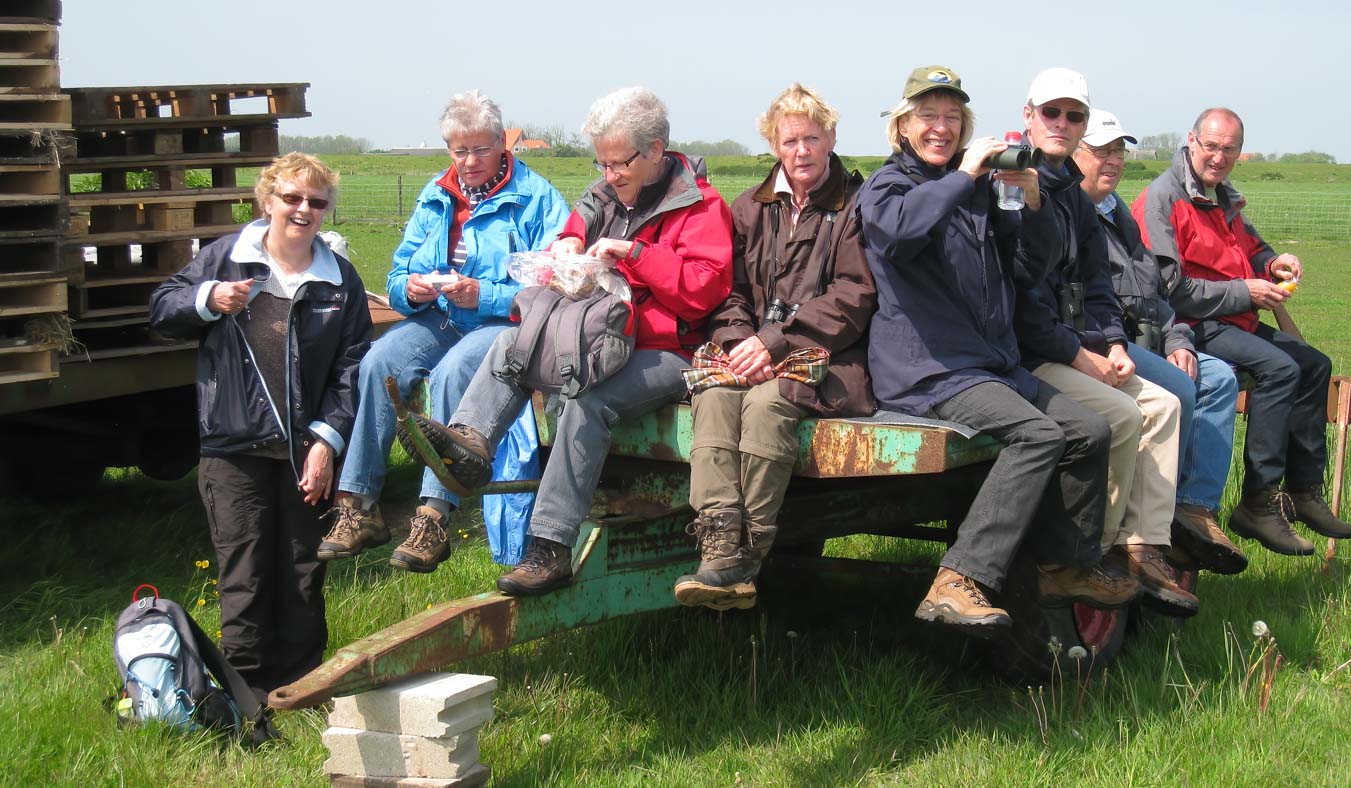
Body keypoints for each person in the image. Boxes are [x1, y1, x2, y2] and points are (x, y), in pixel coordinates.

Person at [409, 87, 734, 595]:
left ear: (655, 149)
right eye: (601, 162)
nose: (609, 174)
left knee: (587, 400)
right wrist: (567, 248)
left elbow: (702, 292)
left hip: (664, 351)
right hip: (594, 334)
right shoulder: (603, 195)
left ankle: (550, 546)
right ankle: (470, 447)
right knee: (511, 346)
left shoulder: (701, 207)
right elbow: (573, 230)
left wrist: (634, 254)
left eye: (618, 162)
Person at [857, 65, 1137, 638]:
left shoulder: (983, 191)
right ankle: (959, 577)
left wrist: (1031, 206)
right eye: (929, 117)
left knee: (1089, 429)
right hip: (929, 370)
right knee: (1037, 435)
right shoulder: (887, 187)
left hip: (987, 362)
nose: (941, 128)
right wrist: (963, 174)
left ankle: (1064, 565)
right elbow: (904, 235)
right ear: (903, 125)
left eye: (952, 118)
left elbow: (1026, 269)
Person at [150, 153, 373, 700]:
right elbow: (161, 308)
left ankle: (300, 691)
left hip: (305, 451)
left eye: (316, 202)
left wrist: (327, 440)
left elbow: (354, 367)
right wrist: (208, 300)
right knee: (245, 575)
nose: (303, 210)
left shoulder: (338, 278)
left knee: (302, 572)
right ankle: (246, 698)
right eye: (292, 198)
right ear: (267, 200)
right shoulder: (227, 257)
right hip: (233, 446)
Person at [316, 91, 569, 573]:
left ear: (501, 142)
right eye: (459, 150)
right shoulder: (436, 195)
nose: (469, 161)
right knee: (378, 363)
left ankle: (433, 518)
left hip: (501, 324)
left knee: (454, 371)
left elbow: (551, 284)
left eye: (479, 149)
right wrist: (411, 291)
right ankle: (359, 506)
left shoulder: (537, 198)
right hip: (440, 318)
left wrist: (486, 295)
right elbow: (396, 277)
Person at [673, 83, 877, 611]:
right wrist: (741, 344)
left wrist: (775, 342)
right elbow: (730, 291)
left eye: (812, 138)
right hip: (754, 348)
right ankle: (718, 543)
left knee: (767, 402)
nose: (801, 151)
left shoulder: (855, 206)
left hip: (829, 356)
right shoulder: (749, 208)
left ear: (831, 138)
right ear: (773, 145)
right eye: (790, 141)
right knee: (714, 392)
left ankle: (753, 547)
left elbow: (855, 296)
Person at [1013, 69, 1196, 616]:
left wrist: (1113, 343)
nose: (1062, 124)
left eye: (1074, 116)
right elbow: (1016, 296)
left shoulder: (1072, 189)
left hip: (1071, 343)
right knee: (1121, 413)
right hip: (1026, 352)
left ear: (1083, 123)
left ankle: (1136, 544)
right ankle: (1084, 552)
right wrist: (1080, 356)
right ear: (1028, 117)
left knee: (1163, 403)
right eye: (1052, 113)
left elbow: (1096, 281)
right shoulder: (1010, 181)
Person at [1132, 107, 1351, 555]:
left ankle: (1305, 489)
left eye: (1228, 149)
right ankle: (1259, 501)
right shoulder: (1163, 200)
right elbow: (1170, 290)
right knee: (1280, 369)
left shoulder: (1221, 196)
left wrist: (1273, 265)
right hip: (1193, 324)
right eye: (1210, 146)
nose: (1218, 156)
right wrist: (1245, 293)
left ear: (1238, 151)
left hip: (1234, 316)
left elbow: (1250, 248)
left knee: (1314, 364)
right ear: (1191, 141)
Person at [1070, 109, 1248, 576]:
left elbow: (1153, 289)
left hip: (1143, 335)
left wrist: (1178, 336)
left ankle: (1193, 507)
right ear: (1074, 153)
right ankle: (1155, 516)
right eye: (1100, 151)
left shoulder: (1114, 213)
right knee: (1181, 390)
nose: (1112, 162)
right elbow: (1091, 300)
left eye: (1118, 152)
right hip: (1108, 342)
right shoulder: (1070, 212)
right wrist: (1114, 346)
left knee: (1218, 376)